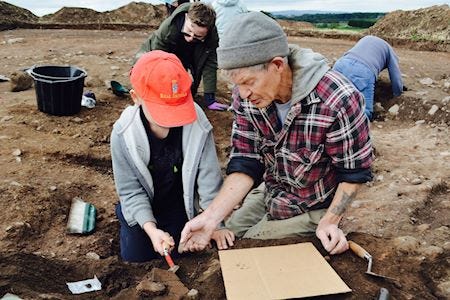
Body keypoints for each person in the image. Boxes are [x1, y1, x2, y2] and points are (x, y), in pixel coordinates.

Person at [179, 12, 373, 255]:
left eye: (249, 82)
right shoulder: (246, 98)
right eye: (237, 85)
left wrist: (330, 220)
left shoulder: (338, 100)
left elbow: (354, 173)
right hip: (272, 191)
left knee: (248, 244)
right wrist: (209, 218)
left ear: (278, 65)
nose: (243, 94)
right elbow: (246, 161)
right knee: (227, 233)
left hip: (314, 205)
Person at [111, 50, 234, 262]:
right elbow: (130, 191)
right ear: (136, 98)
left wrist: (214, 224)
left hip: (179, 204)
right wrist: (151, 230)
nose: (172, 120)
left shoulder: (197, 122)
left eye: (177, 108)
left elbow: (208, 178)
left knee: (184, 252)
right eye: (163, 111)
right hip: (142, 207)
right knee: (136, 260)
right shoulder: (124, 134)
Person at [134, 2, 229, 111]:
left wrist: (209, 97)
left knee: (187, 90)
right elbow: (157, 59)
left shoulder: (212, 38)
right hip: (163, 52)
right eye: (188, 32)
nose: (190, 38)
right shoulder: (168, 28)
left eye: (197, 36)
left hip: (190, 53)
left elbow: (209, 64)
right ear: (186, 18)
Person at [332, 35, 404, 121]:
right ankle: (357, 129)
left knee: (334, 100)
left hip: (341, 64)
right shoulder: (389, 50)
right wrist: (398, 93)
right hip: (363, 71)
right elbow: (395, 76)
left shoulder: (367, 38)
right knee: (365, 112)